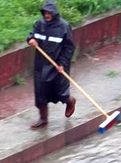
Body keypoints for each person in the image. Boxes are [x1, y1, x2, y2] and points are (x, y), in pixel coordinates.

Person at [27, 0, 77, 129]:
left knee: (60, 91)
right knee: (40, 93)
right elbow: (33, 35)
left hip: (57, 65)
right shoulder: (39, 24)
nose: (47, 15)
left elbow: (69, 47)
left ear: (54, 13)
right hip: (41, 65)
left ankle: (70, 101)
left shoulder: (64, 26)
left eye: (49, 13)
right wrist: (31, 39)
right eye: (45, 12)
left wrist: (62, 63)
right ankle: (43, 119)